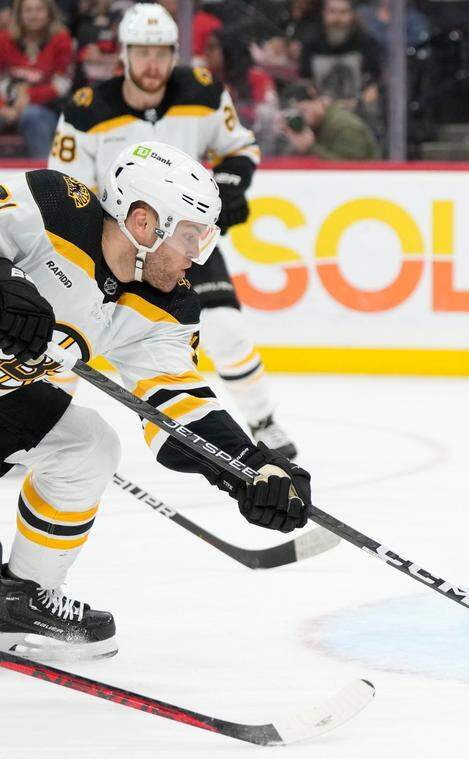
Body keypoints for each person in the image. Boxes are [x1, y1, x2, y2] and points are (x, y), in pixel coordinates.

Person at [0, 140, 312, 659]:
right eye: (190, 235)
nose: (197, 255)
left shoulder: (164, 304)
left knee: (88, 445)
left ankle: (19, 602)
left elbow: (179, 402)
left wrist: (249, 468)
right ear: (143, 223)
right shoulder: (53, 205)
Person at [50, 2, 299, 459]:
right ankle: (37, 417)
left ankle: (264, 421)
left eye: (162, 53)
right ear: (124, 54)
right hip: (114, 247)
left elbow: (240, 147)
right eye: (142, 53)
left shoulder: (202, 91)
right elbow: (69, 186)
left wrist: (231, 185)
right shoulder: (87, 109)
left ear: (175, 54)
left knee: (226, 328)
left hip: (182, 244)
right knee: (64, 333)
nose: (152, 64)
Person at [0, 0, 73, 157]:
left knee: (32, 115)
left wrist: (29, 96)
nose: (33, 15)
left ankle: (43, 169)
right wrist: (3, 107)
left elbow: (61, 85)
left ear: (49, 13)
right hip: (8, 105)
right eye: (28, 10)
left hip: (47, 109)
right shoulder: (4, 39)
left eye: (39, 9)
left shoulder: (61, 39)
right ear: (19, 14)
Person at [276, 79, 380, 159]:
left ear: (317, 101)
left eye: (303, 110)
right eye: (297, 114)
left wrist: (310, 148)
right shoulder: (315, 127)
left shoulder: (343, 125)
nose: (303, 117)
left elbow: (351, 171)